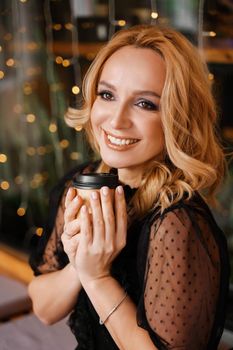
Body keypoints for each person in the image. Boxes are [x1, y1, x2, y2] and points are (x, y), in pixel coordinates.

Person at [28, 24, 230, 350]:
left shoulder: (176, 224)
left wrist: (98, 278)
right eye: (107, 95)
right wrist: (81, 265)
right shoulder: (84, 182)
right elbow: (43, 308)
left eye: (145, 104)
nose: (116, 120)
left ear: (177, 117)